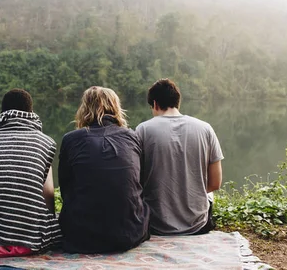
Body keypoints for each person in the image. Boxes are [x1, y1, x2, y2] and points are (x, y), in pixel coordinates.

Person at [58, 86, 150, 253]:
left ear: (84, 108)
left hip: (80, 237)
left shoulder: (70, 139)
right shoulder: (132, 136)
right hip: (129, 234)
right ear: (115, 107)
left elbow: (65, 188)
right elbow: (139, 183)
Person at [0, 89, 61, 257]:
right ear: (31, 113)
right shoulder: (47, 143)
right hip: (32, 243)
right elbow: (48, 196)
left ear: (2, 112)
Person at [136, 78, 224, 235]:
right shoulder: (205, 128)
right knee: (209, 194)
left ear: (155, 104)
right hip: (198, 225)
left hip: (155, 225)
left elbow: (136, 181)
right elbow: (215, 183)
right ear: (177, 102)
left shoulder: (143, 130)